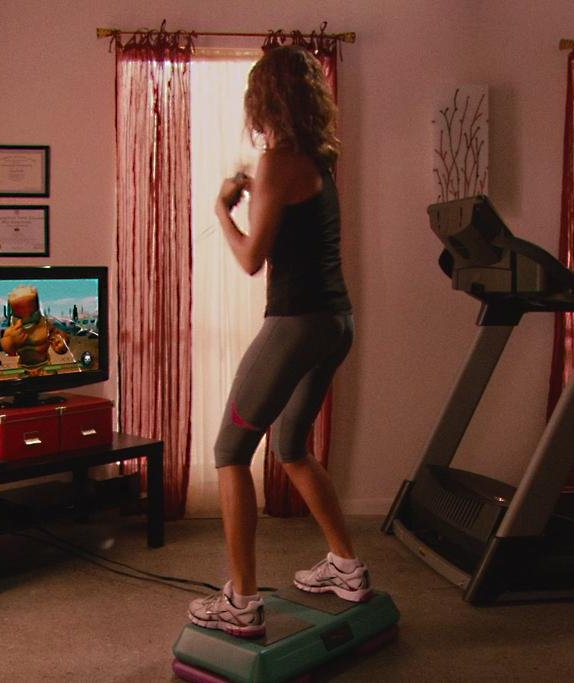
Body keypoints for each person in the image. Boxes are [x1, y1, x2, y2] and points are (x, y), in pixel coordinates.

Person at [187, 45, 369, 639]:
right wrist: (256, 191)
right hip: (336, 322)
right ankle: (347, 567)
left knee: (229, 450)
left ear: (264, 101)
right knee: (290, 446)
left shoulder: (276, 163)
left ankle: (241, 602)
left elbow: (250, 259)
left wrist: (222, 208)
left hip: (296, 324)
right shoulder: (317, 158)